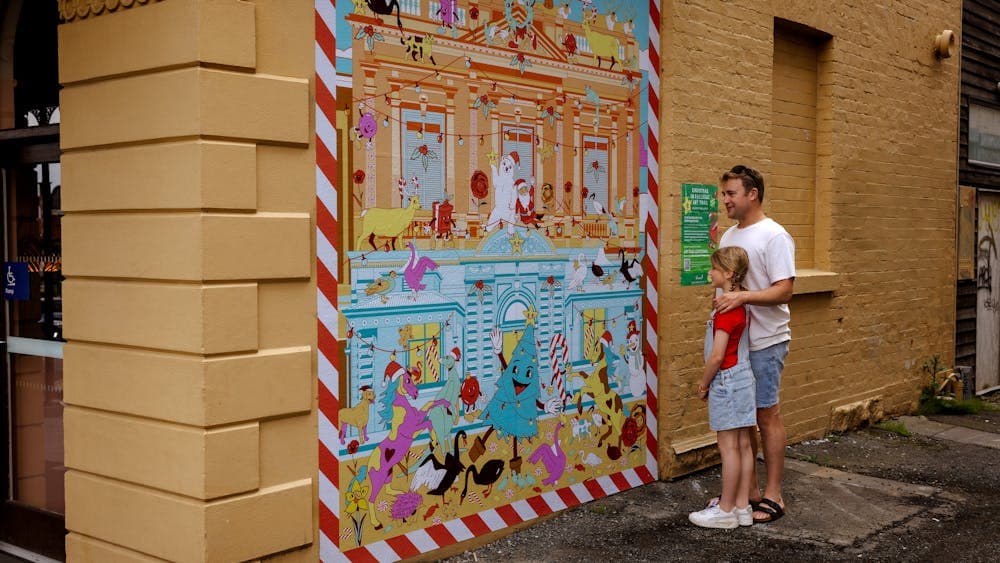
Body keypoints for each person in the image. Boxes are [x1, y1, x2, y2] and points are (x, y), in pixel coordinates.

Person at [714, 164, 795, 524]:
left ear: (752, 194)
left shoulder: (774, 236)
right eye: (724, 193)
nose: (725, 200)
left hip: (766, 341)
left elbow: (785, 289)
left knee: (766, 415)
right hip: (737, 344)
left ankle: (774, 494)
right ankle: (748, 492)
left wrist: (743, 299)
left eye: (731, 193)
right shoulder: (728, 236)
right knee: (743, 419)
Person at [688, 247, 757, 529]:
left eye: (714, 269)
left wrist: (704, 383)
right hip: (743, 378)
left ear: (728, 273)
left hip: (726, 380)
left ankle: (725, 510)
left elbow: (717, 355)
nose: (709, 273)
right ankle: (743, 506)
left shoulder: (726, 313)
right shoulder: (740, 305)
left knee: (727, 447)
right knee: (743, 445)